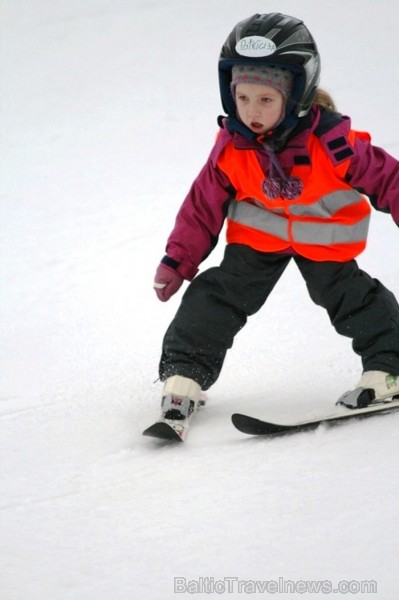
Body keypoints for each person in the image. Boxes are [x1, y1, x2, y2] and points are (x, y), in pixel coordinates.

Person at [152, 12, 399, 421]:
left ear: (296, 94)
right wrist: (179, 259)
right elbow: (202, 204)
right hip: (257, 243)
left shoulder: (334, 144)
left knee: (350, 299)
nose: (252, 110)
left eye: (266, 99)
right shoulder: (232, 148)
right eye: (243, 97)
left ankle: (390, 368)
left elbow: (388, 177)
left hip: (325, 243)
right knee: (218, 295)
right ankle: (184, 378)